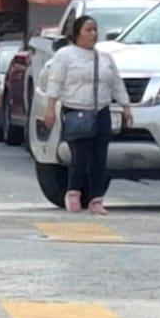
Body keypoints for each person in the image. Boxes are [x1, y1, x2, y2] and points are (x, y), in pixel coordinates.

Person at [40, 15, 132, 215]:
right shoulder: (65, 55)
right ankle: (73, 192)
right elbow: (55, 82)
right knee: (80, 155)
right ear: (77, 33)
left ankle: (96, 199)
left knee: (99, 157)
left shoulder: (105, 58)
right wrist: (50, 108)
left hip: (101, 111)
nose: (93, 34)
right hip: (76, 111)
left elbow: (116, 83)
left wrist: (126, 106)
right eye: (88, 30)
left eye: (95, 30)